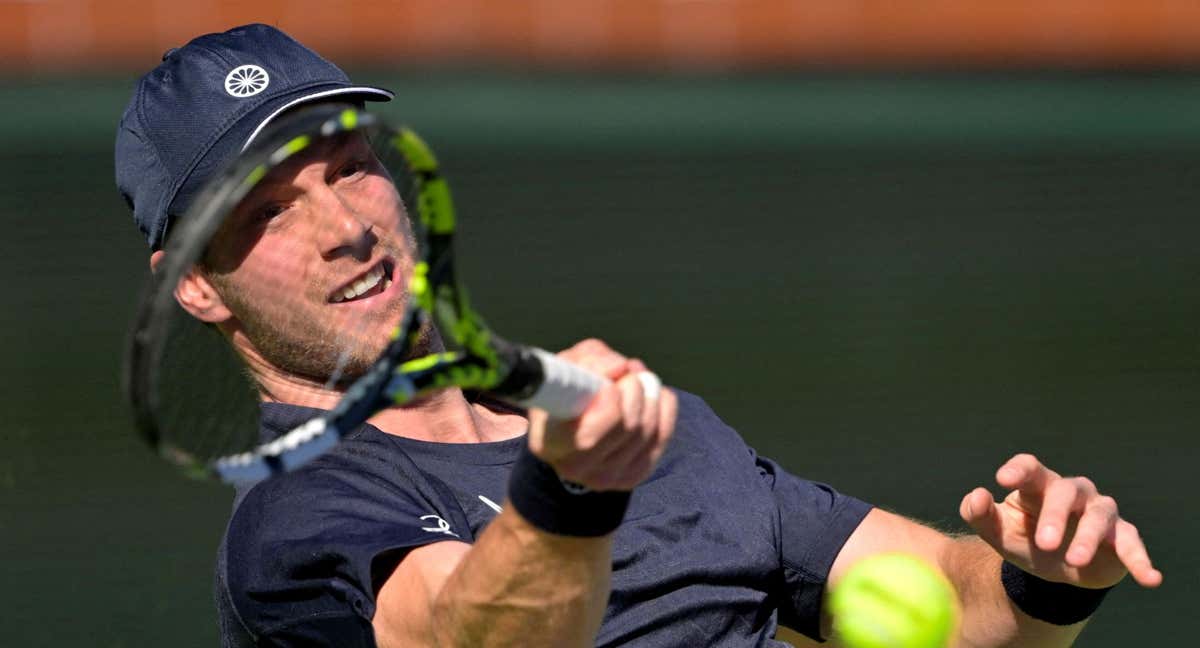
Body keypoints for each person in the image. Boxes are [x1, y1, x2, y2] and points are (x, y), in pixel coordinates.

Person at [115, 24, 1162, 648]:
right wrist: (572, 489)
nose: (341, 227)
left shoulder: (664, 433)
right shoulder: (294, 533)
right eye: (264, 213)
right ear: (197, 291)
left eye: (347, 166)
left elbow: (941, 602)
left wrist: (1040, 577)